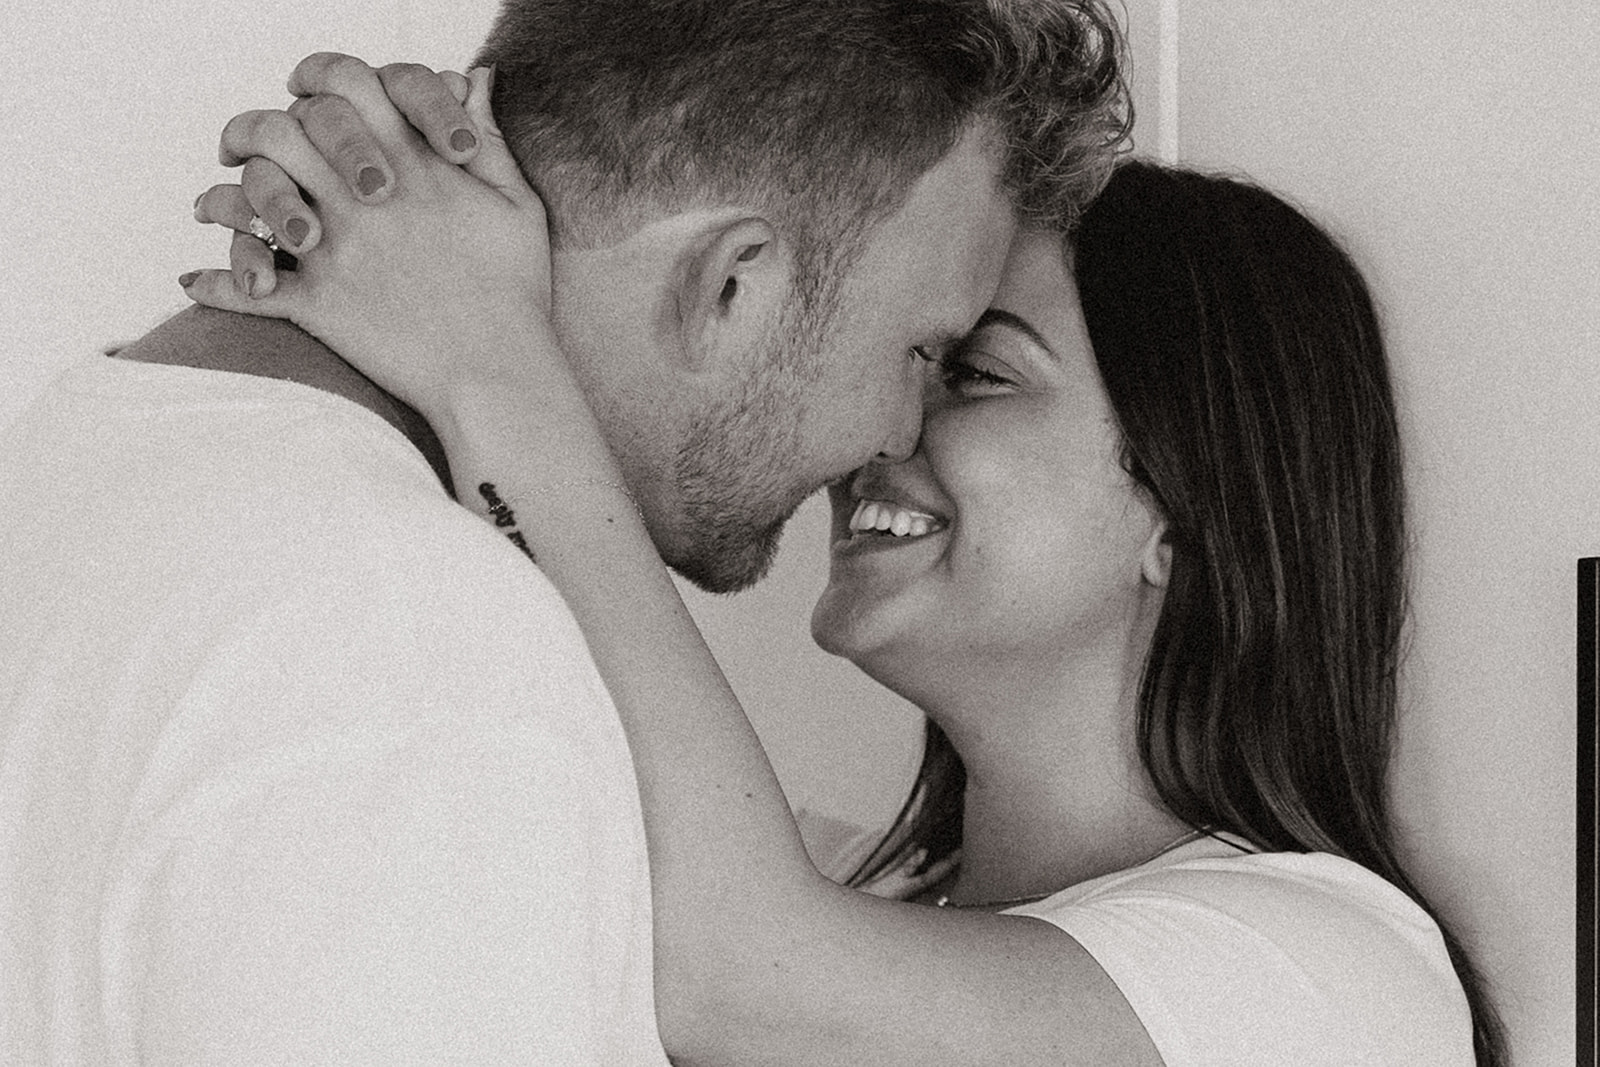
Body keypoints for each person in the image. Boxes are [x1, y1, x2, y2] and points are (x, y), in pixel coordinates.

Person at [190, 69, 1509, 1067]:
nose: (880, 431)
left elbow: (739, 973)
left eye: (973, 374)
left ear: (1191, 506)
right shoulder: (822, 875)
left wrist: (488, 347)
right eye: (913, 360)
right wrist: (415, 241)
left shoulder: (1328, 976)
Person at [0, 2, 1128, 1061]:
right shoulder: (428, 657)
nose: (895, 434)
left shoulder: (89, 453)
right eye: (924, 353)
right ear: (729, 284)